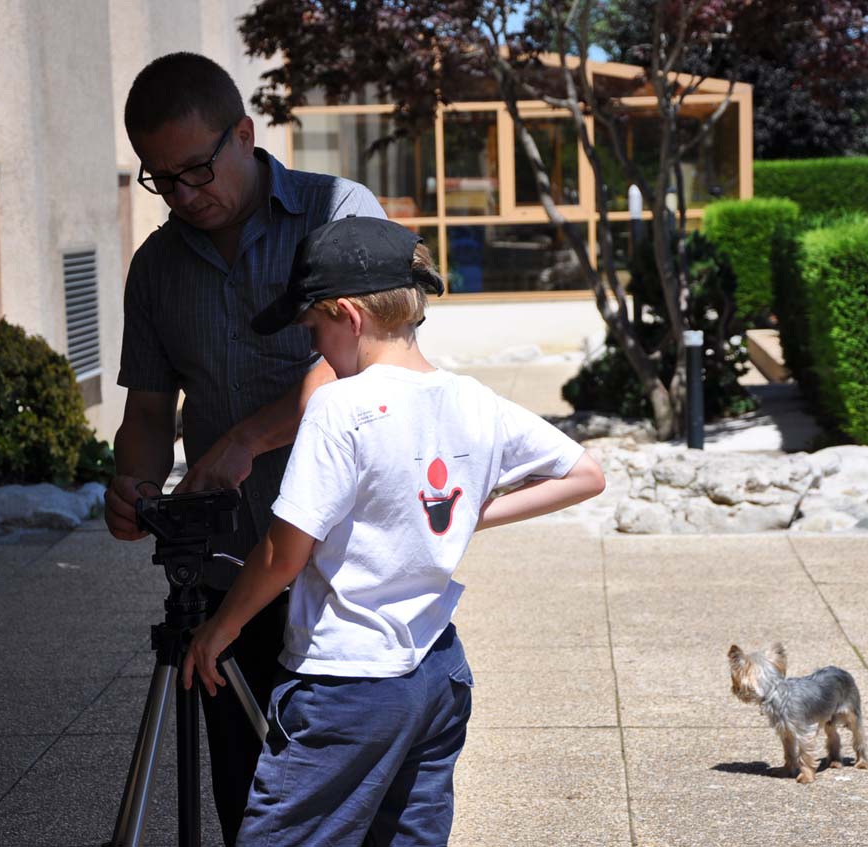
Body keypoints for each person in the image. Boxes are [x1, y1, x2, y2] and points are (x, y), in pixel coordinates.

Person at [181, 216, 607, 846]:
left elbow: (283, 553)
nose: (316, 348)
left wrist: (222, 629)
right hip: (438, 672)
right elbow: (585, 474)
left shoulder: (339, 406)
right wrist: (471, 512)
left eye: (315, 330)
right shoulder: (473, 400)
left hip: (346, 683)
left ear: (350, 316)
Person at [106, 52, 386, 846]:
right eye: (162, 179)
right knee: (250, 801)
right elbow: (149, 409)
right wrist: (132, 481)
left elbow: (368, 365)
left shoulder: (338, 211)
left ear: (244, 134)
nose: (184, 196)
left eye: (197, 170)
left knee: (351, 799)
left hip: (347, 567)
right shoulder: (156, 267)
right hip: (228, 574)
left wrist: (247, 437)